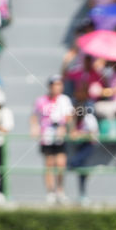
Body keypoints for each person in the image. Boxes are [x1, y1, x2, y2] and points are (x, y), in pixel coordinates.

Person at [31, 76, 73, 204]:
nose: (57, 87)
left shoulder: (64, 100)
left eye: (59, 85)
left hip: (59, 136)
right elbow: (34, 116)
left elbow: (69, 117)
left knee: (60, 164)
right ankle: (50, 192)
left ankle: (60, 190)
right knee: (49, 164)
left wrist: (64, 127)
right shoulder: (41, 100)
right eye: (55, 85)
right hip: (47, 135)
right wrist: (34, 128)